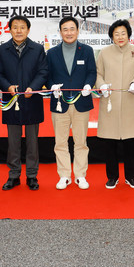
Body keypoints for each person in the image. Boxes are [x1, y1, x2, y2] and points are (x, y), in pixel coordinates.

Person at [0, 15, 48, 191]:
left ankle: (32, 176)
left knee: (32, 142)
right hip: (11, 101)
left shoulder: (37, 49)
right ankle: (14, 175)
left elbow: (43, 72)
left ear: (28, 29)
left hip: (32, 100)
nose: (19, 31)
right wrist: (7, 87)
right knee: (13, 142)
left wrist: (33, 87)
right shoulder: (3, 50)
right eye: (15, 27)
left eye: (22, 27)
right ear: (10, 29)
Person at [96, 20, 134, 189]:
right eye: (116, 34)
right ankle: (112, 177)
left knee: (130, 142)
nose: (120, 37)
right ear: (112, 36)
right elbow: (98, 74)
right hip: (110, 102)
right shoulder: (104, 53)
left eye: (123, 33)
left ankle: (131, 177)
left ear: (128, 35)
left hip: (129, 102)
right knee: (109, 142)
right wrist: (102, 85)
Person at [46, 16, 96, 190]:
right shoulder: (52, 53)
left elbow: (92, 72)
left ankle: (80, 175)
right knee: (60, 142)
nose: (69, 32)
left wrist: (89, 85)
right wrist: (52, 86)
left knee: (81, 141)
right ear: (60, 32)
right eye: (65, 29)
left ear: (78, 31)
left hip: (81, 101)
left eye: (72, 29)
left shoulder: (87, 50)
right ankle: (64, 176)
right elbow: (47, 75)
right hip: (59, 103)